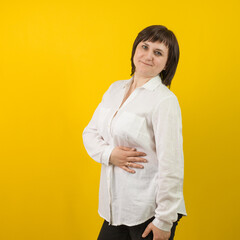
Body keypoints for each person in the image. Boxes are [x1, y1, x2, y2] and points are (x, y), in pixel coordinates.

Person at [82, 25, 187, 240]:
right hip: (115, 209)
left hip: (149, 212)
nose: (148, 56)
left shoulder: (164, 100)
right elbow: (90, 133)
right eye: (144, 47)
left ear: (167, 63)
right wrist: (109, 154)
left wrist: (164, 220)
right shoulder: (114, 89)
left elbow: (172, 164)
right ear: (135, 50)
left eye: (158, 53)